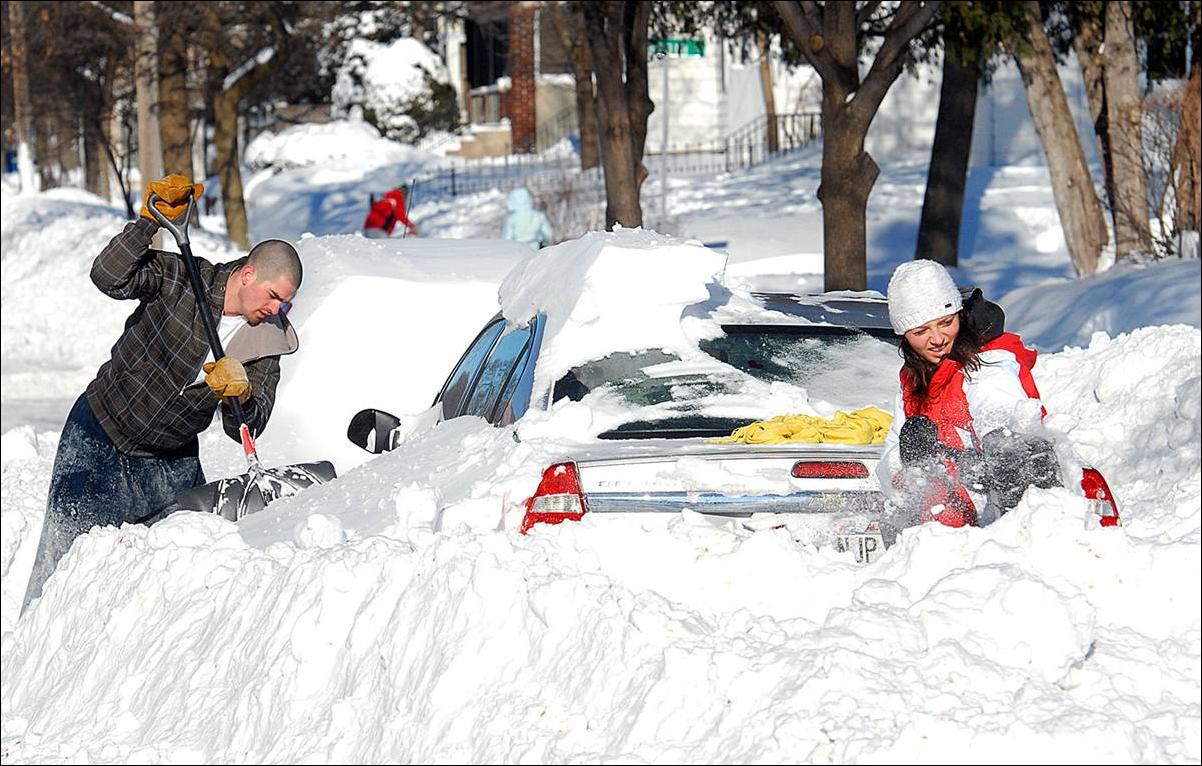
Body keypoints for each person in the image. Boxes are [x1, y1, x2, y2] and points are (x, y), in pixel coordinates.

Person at [23, 174, 303, 609]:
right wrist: (147, 225)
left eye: (285, 304)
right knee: (64, 570)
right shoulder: (181, 280)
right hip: (100, 436)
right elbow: (108, 277)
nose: (276, 310)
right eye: (273, 297)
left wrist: (242, 395)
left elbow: (250, 424)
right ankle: (32, 651)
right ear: (248, 274)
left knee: (168, 581)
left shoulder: (267, 341)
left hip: (170, 462)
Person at [878, 259, 1060, 528]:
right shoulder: (912, 382)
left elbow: (999, 408)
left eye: (946, 322)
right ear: (904, 335)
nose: (938, 338)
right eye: (921, 331)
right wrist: (908, 459)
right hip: (945, 535)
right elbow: (888, 466)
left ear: (959, 315)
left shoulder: (988, 362)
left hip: (1001, 528)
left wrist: (998, 447)